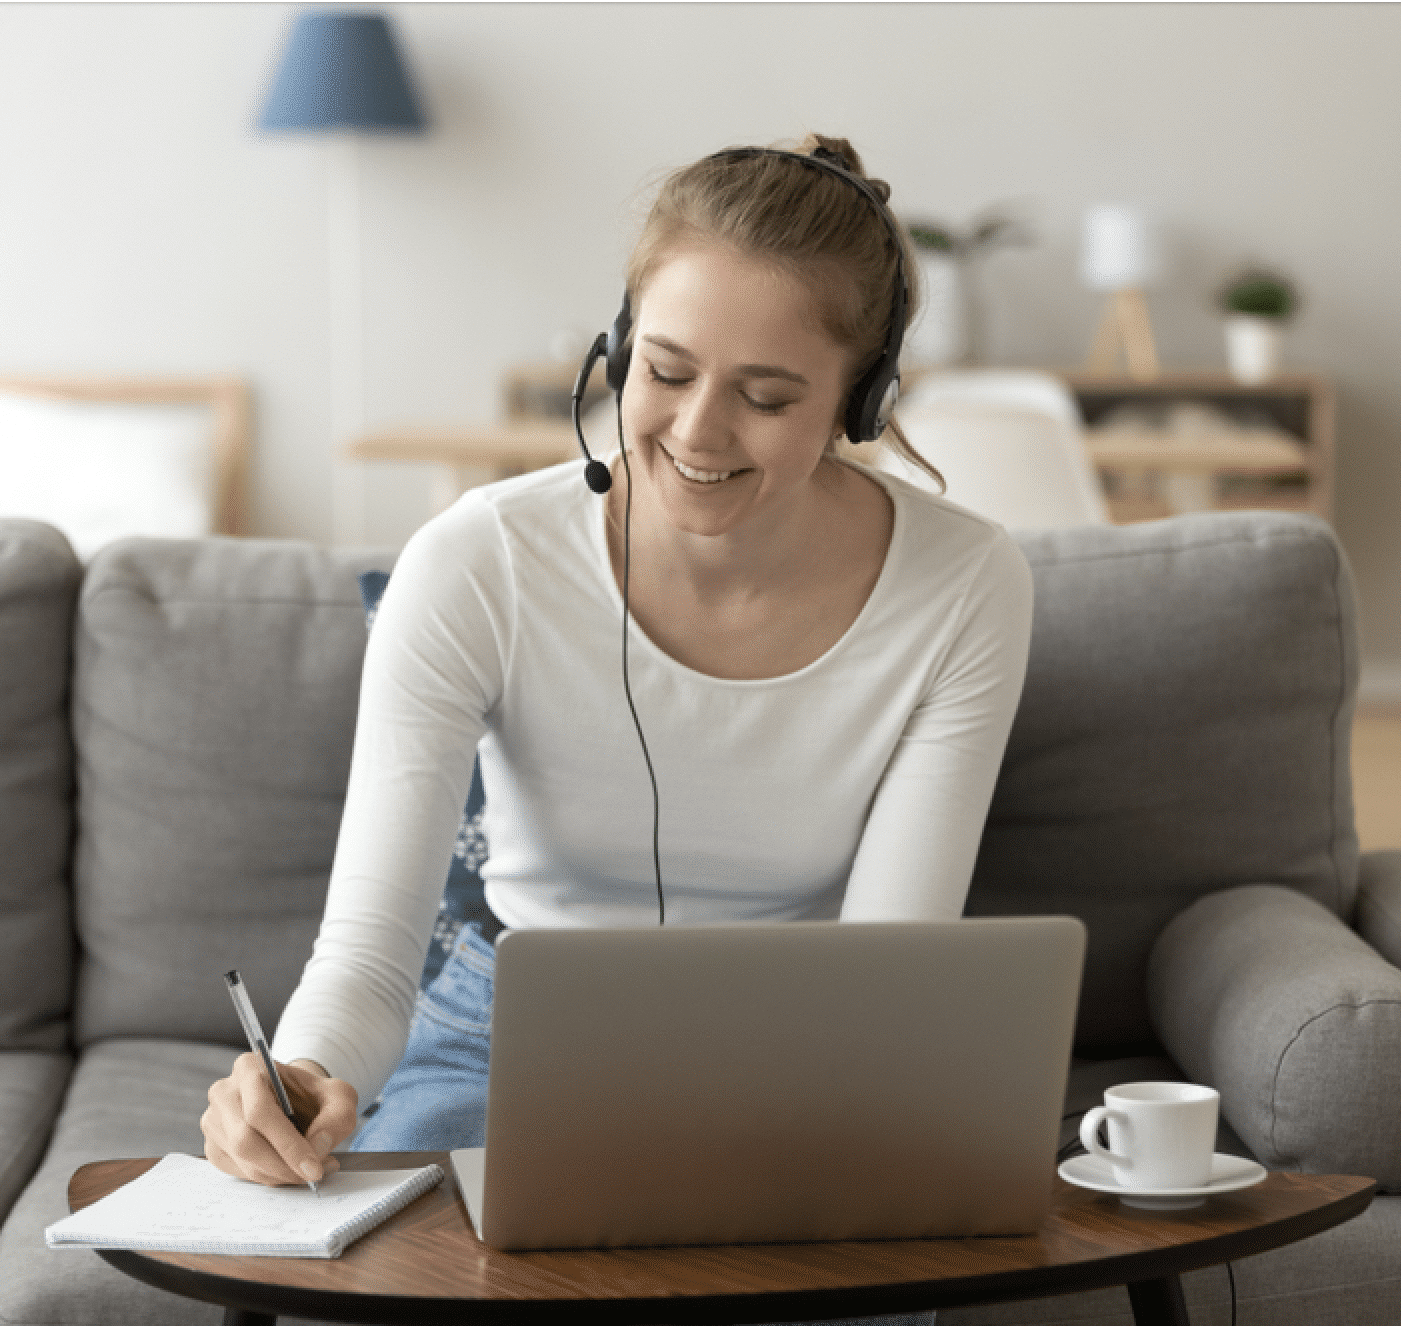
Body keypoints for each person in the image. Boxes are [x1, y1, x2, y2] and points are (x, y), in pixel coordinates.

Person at [199, 135, 1035, 1196]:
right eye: (667, 370)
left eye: (768, 397)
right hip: (502, 1029)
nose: (696, 430)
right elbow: (370, 955)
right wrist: (300, 1077)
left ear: (862, 402)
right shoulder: (478, 561)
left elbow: (884, 978)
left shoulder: (964, 585)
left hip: (811, 1049)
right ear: (621, 345)